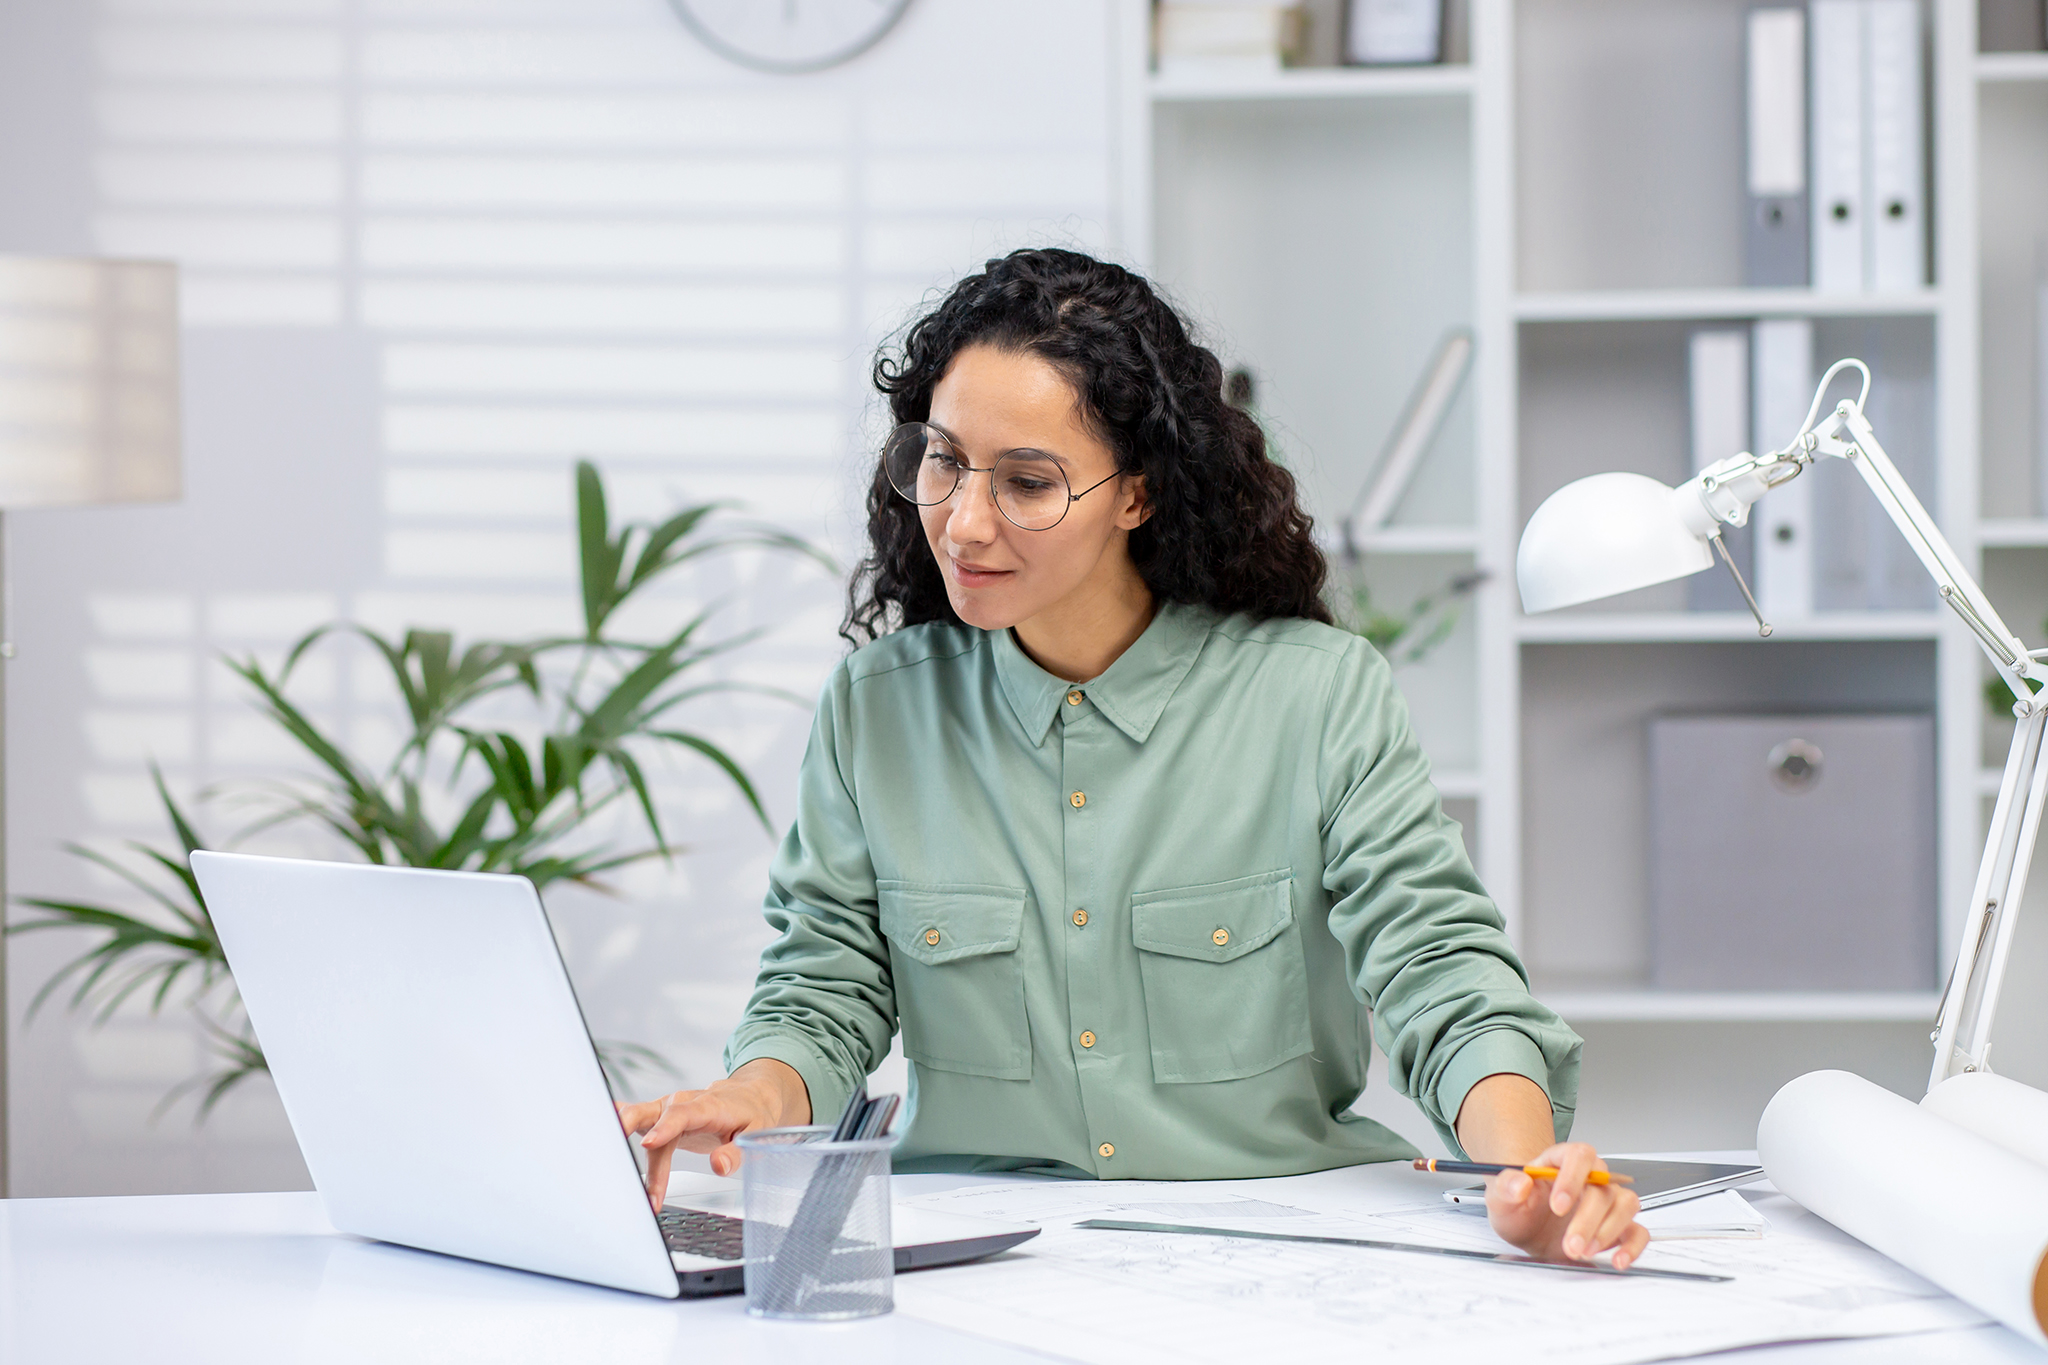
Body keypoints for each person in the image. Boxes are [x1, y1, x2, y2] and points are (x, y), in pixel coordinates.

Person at [618, 248, 1648, 1269]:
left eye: (1027, 482)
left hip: (1284, 1244)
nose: (964, 523)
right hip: (981, 1261)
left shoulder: (1312, 693)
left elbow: (1437, 970)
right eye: (942, 460)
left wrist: (1524, 1178)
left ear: (1137, 496)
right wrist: (748, 1098)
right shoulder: (878, 708)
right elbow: (825, 985)